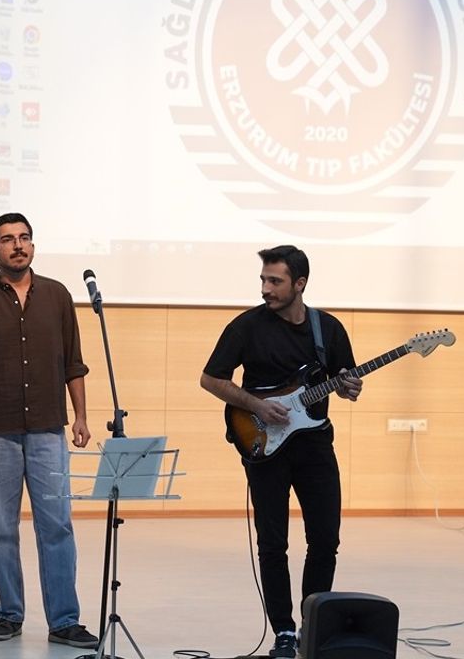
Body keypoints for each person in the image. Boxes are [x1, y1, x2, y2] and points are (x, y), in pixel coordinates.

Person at [199, 245, 362, 659]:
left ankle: (315, 622)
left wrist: (350, 387)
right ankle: (284, 632)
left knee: (325, 539)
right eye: (263, 280)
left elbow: (347, 382)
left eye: (275, 281)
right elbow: (210, 378)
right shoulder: (247, 327)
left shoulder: (328, 329)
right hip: (264, 446)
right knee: (273, 544)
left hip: (315, 445)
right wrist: (256, 405)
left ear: (300, 284)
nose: (266, 289)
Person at [0, 212, 98, 648]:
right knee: (1, 527)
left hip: (48, 430)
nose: (18, 245)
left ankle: (64, 620)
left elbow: (74, 362)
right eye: (8, 240)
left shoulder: (57, 296)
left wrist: (82, 416)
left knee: (57, 526)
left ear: (32, 245)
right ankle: (10, 613)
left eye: (25, 238)